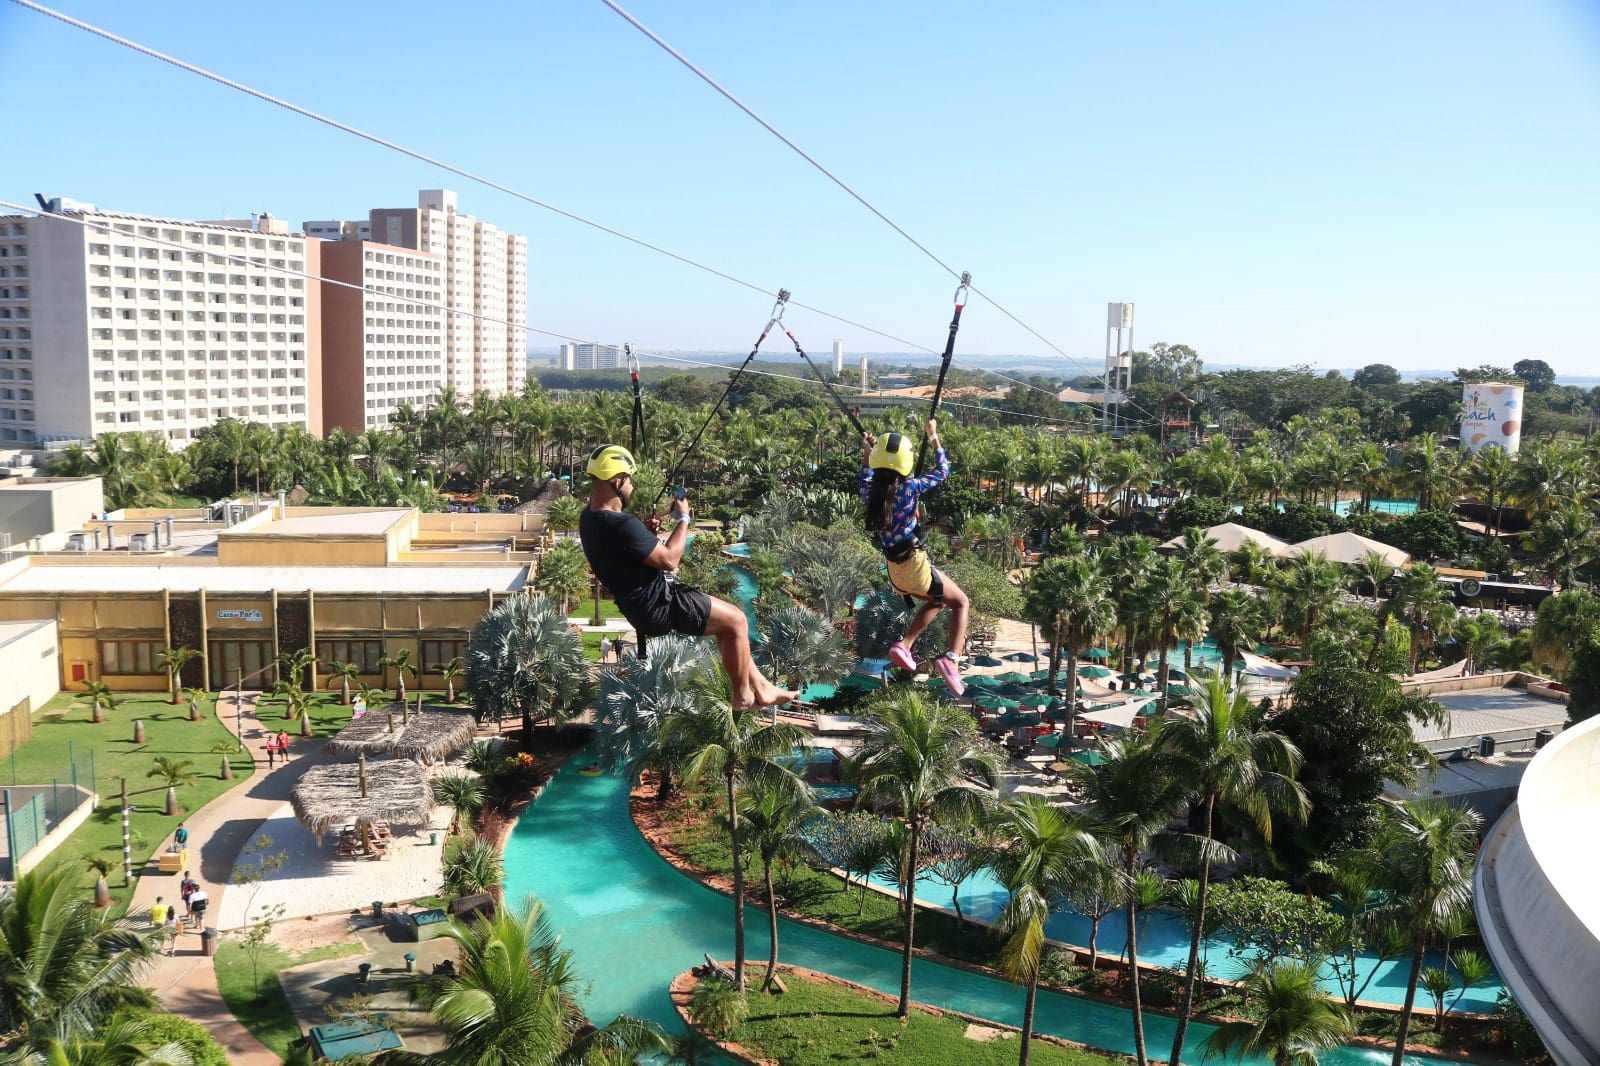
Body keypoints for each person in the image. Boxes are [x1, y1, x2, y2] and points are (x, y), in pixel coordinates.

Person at [578, 445, 796, 710]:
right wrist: (683, 519)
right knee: (738, 621)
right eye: (630, 479)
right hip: (659, 605)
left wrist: (645, 536)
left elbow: (623, 551)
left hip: (641, 607)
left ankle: (761, 687)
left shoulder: (588, 519)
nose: (632, 486)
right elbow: (670, 560)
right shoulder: (623, 524)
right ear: (617, 480)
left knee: (727, 625)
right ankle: (743, 697)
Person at [860, 419, 970, 697]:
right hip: (915, 563)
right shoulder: (910, 488)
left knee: (938, 600)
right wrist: (933, 437)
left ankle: (906, 645)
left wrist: (868, 453)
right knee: (959, 602)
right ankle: (949, 659)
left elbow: (866, 474)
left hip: (895, 572)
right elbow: (943, 471)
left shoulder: (869, 492)